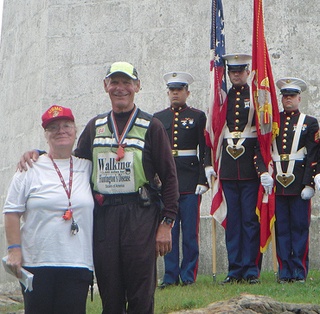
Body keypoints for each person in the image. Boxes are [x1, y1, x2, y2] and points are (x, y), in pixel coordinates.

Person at [18, 62, 179, 314]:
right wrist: (39, 154)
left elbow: (170, 178)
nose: (120, 88)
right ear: (106, 86)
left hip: (140, 215)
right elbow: (73, 160)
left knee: (141, 294)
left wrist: (166, 223)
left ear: (137, 86)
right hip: (104, 218)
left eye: (126, 82)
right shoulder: (95, 126)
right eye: (114, 82)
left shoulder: (152, 126)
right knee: (110, 293)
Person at [4, 105, 94, 314]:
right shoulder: (29, 168)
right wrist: (14, 250)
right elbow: (11, 212)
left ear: (75, 129)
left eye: (66, 125)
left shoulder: (87, 167)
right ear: (45, 134)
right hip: (37, 263)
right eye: (53, 127)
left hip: (77, 262)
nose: (60, 131)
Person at [205, 53, 262, 284]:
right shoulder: (221, 99)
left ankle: (251, 269)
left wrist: (263, 168)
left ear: (248, 72)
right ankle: (234, 268)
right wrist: (211, 164)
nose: (236, 75)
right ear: (227, 74)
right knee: (234, 220)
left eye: (240, 71)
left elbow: (264, 134)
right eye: (232, 72)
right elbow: (214, 130)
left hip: (249, 167)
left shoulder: (257, 97)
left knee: (250, 220)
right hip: (228, 167)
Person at [260, 77, 319, 283]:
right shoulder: (274, 122)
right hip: (279, 184)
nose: (288, 99)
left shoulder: (309, 122)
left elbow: (313, 154)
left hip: (299, 184)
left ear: (299, 98)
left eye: (292, 96)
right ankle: (284, 271)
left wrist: (309, 183)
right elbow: (264, 148)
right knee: (282, 229)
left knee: (300, 228)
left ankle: (299, 271)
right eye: (285, 96)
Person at [154, 72, 208, 288]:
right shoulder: (158, 118)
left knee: (190, 232)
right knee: (169, 230)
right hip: (167, 181)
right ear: (168, 92)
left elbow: (204, 151)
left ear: (187, 92)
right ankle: (169, 275)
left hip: (189, 179)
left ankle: (188, 275)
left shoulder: (197, 116)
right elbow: (154, 152)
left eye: (179, 90)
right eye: (172, 90)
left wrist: (203, 179)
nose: (175, 93)